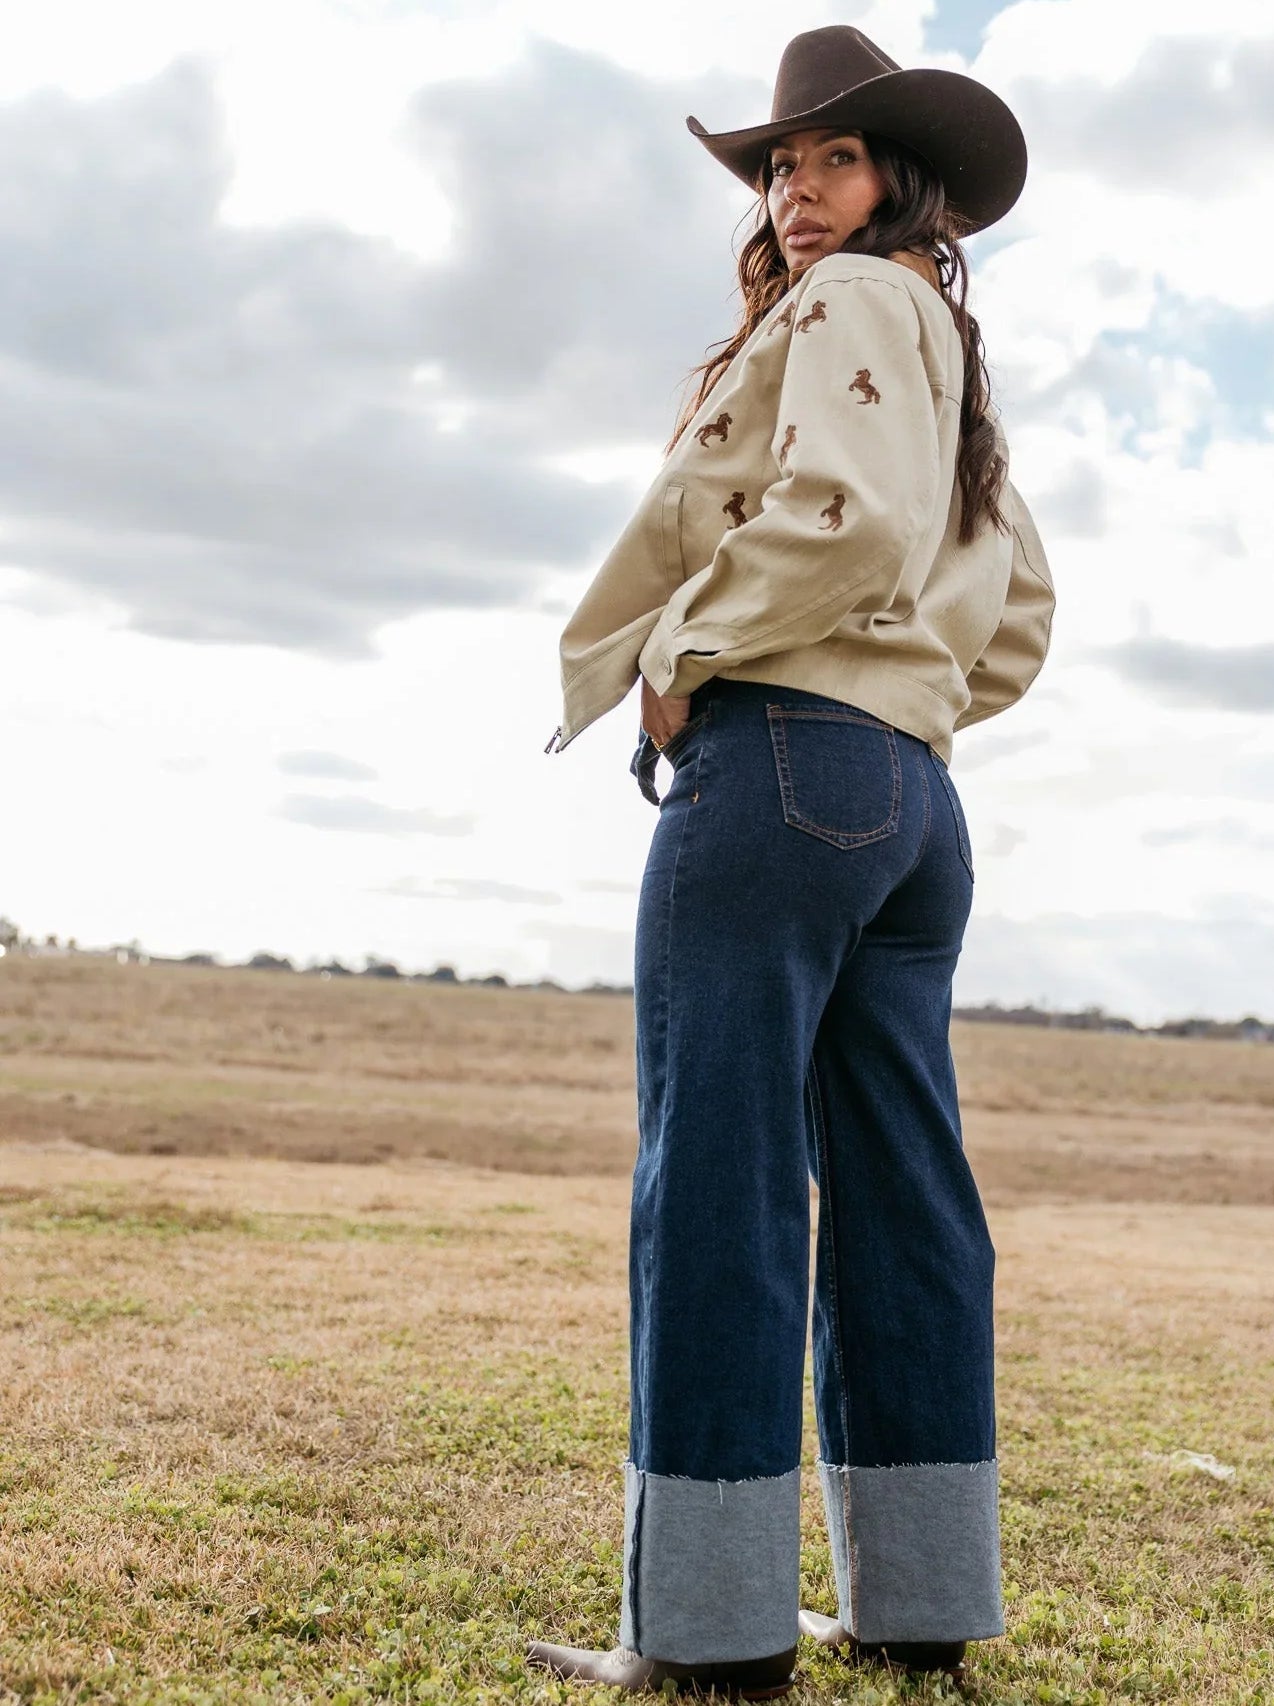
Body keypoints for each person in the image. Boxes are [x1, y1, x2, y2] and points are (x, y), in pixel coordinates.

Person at [530, 23, 1054, 1699]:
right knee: (904, 1189)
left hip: (778, 767)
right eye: (778, 165)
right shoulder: (949, 358)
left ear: (899, 181)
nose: (796, 190)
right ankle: (915, 1605)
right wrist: (906, 697)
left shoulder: (841, 308)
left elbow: (846, 520)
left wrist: (687, 655)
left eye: (829, 159)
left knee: (721, 1179)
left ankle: (707, 1629)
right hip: (914, 802)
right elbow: (1017, 612)